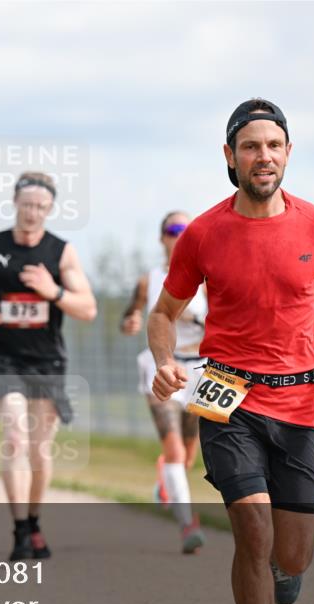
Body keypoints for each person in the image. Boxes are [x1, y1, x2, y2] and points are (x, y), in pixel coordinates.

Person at [148, 98, 314, 604]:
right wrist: (163, 361)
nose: (263, 156)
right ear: (230, 156)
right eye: (250, 146)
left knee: (292, 555)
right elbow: (163, 314)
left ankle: (285, 569)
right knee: (252, 527)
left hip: (300, 402)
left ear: (288, 154)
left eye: (273, 145)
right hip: (226, 395)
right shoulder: (203, 233)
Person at [0, 171, 97, 561]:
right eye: (27, 204)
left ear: (50, 209)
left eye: (41, 207)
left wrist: (53, 291)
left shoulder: (60, 253)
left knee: (39, 450)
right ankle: (19, 529)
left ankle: (34, 521)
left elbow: (88, 308)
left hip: (46, 361)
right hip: (3, 358)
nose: (33, 212)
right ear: (15, 202)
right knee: (16, 435)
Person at [121, 211, 206, 554]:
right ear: (162, 238)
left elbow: (224, 325)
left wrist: (194, 316)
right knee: (173, 450)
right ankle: (188, 525)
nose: (179, 235)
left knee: (187, 456)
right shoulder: (150, 279)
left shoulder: (208, 278)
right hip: (163, 366)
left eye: (186, 230)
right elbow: (131, 314)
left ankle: (166, 481)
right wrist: (130, 322)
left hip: (201, 369)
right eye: (174, 230)